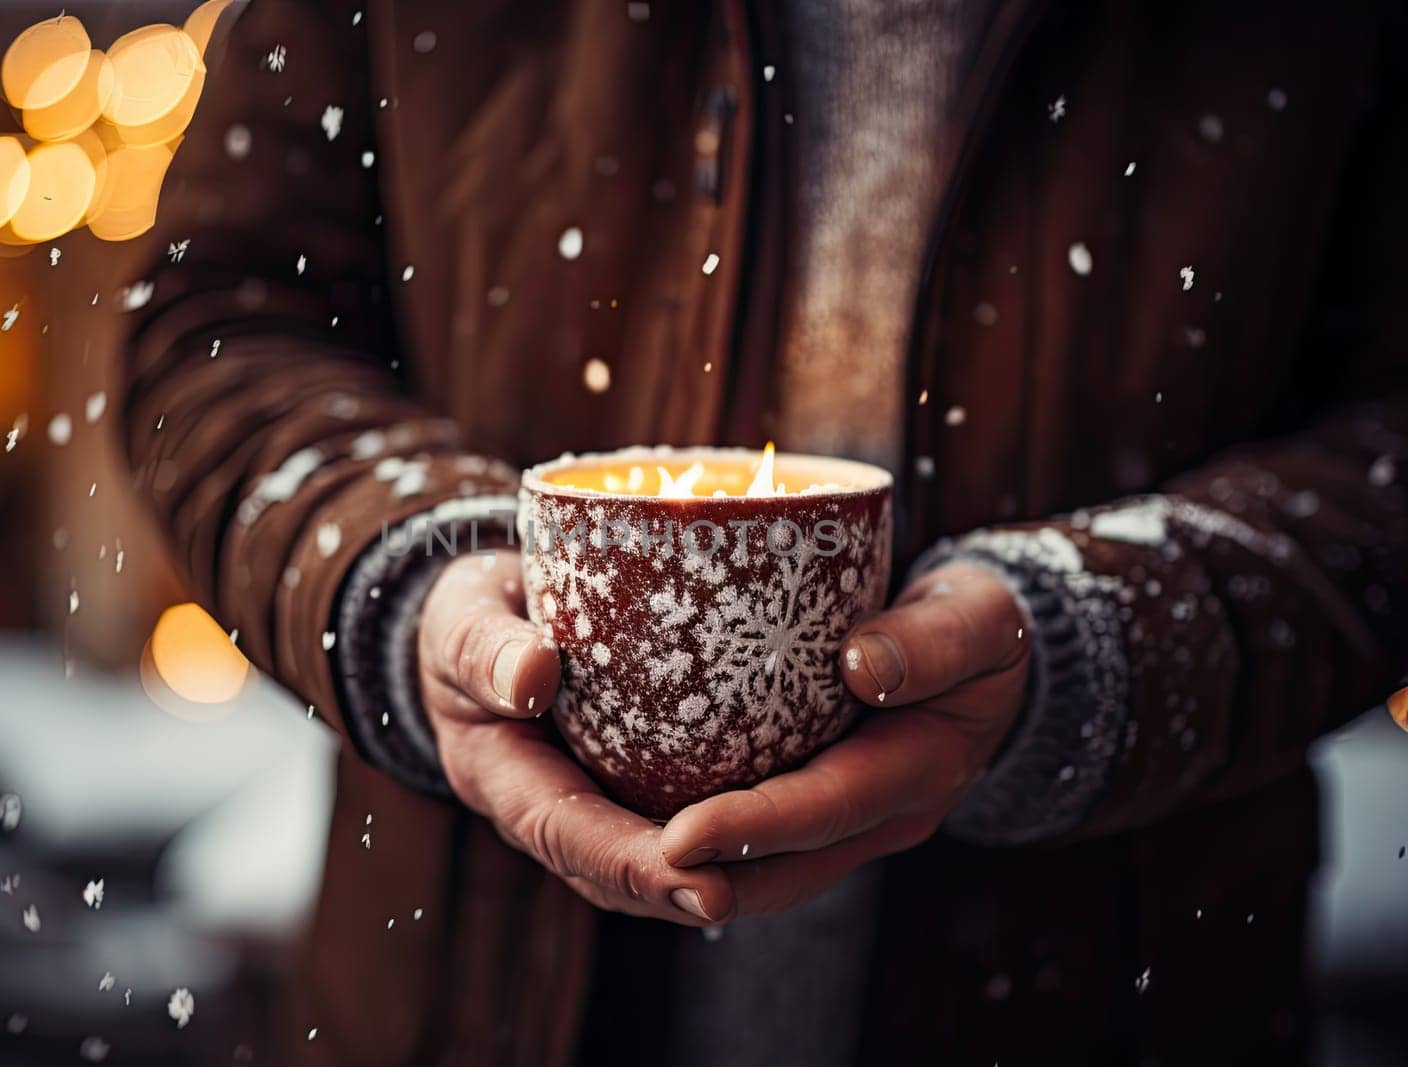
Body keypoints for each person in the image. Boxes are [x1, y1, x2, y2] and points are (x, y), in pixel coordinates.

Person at [120, 1, 1408, 1063]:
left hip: (1116, 991)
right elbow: (219, 328)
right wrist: (412, 580)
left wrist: (1097, 646)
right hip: (464, 995)